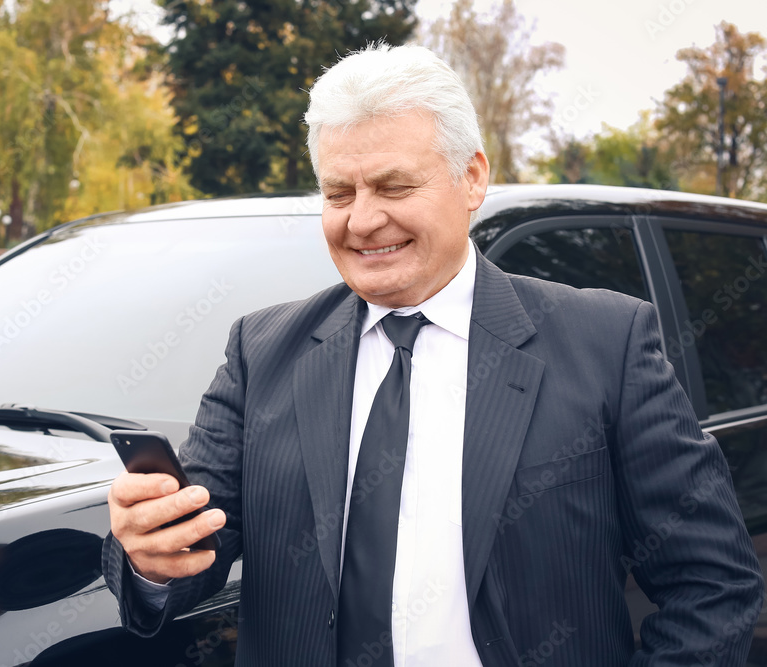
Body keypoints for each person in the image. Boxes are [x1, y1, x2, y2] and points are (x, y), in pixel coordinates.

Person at [103, 44, 763, 666]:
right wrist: (151, 557)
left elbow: (712, 581)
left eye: (392, 187)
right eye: (339, 194)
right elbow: (190, 553)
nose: (361, 221)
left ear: (471, 176)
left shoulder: (606, 342)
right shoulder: (260, 352)